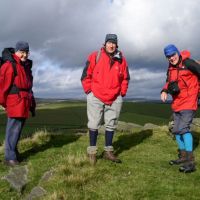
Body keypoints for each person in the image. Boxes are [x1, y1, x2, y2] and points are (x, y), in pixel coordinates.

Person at [81, 34, 130, 165]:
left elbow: (125, 78)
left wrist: (122, 93)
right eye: (109, 42)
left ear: (116, 45)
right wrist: (89, 92)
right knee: (94, 123)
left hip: (114, 97)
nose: (111, 45)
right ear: (105, 43)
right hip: (96, 95)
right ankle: (92, 152)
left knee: (111, 124)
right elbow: (86, 75)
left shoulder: (122, 60)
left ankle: (108, 151)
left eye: (114, 43)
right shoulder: (94, 56)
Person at [161, 44, 200, 173]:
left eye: (173, 55)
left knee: (183, 128)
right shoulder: (170, 68)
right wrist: (164, 90)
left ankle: (190, 161)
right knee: (176, 130)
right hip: (177, 102)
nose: (171, 58)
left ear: (177, 53)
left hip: (189, 101)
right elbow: (168, 81)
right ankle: (183, 157)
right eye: (168, 57)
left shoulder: (188, 63)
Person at [0, 41, 36, 166]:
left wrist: (32, 102)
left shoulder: (25, 66)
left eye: (26, 52)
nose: (24, 55)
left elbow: (29, 87)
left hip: (23, 102)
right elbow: (3, 85)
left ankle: (13, 154)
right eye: (22, 52)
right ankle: (9, 158)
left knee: (18, 129)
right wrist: (3, 103)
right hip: (15, 102)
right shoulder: (10, 65)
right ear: (16, 51)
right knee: (13, 129)